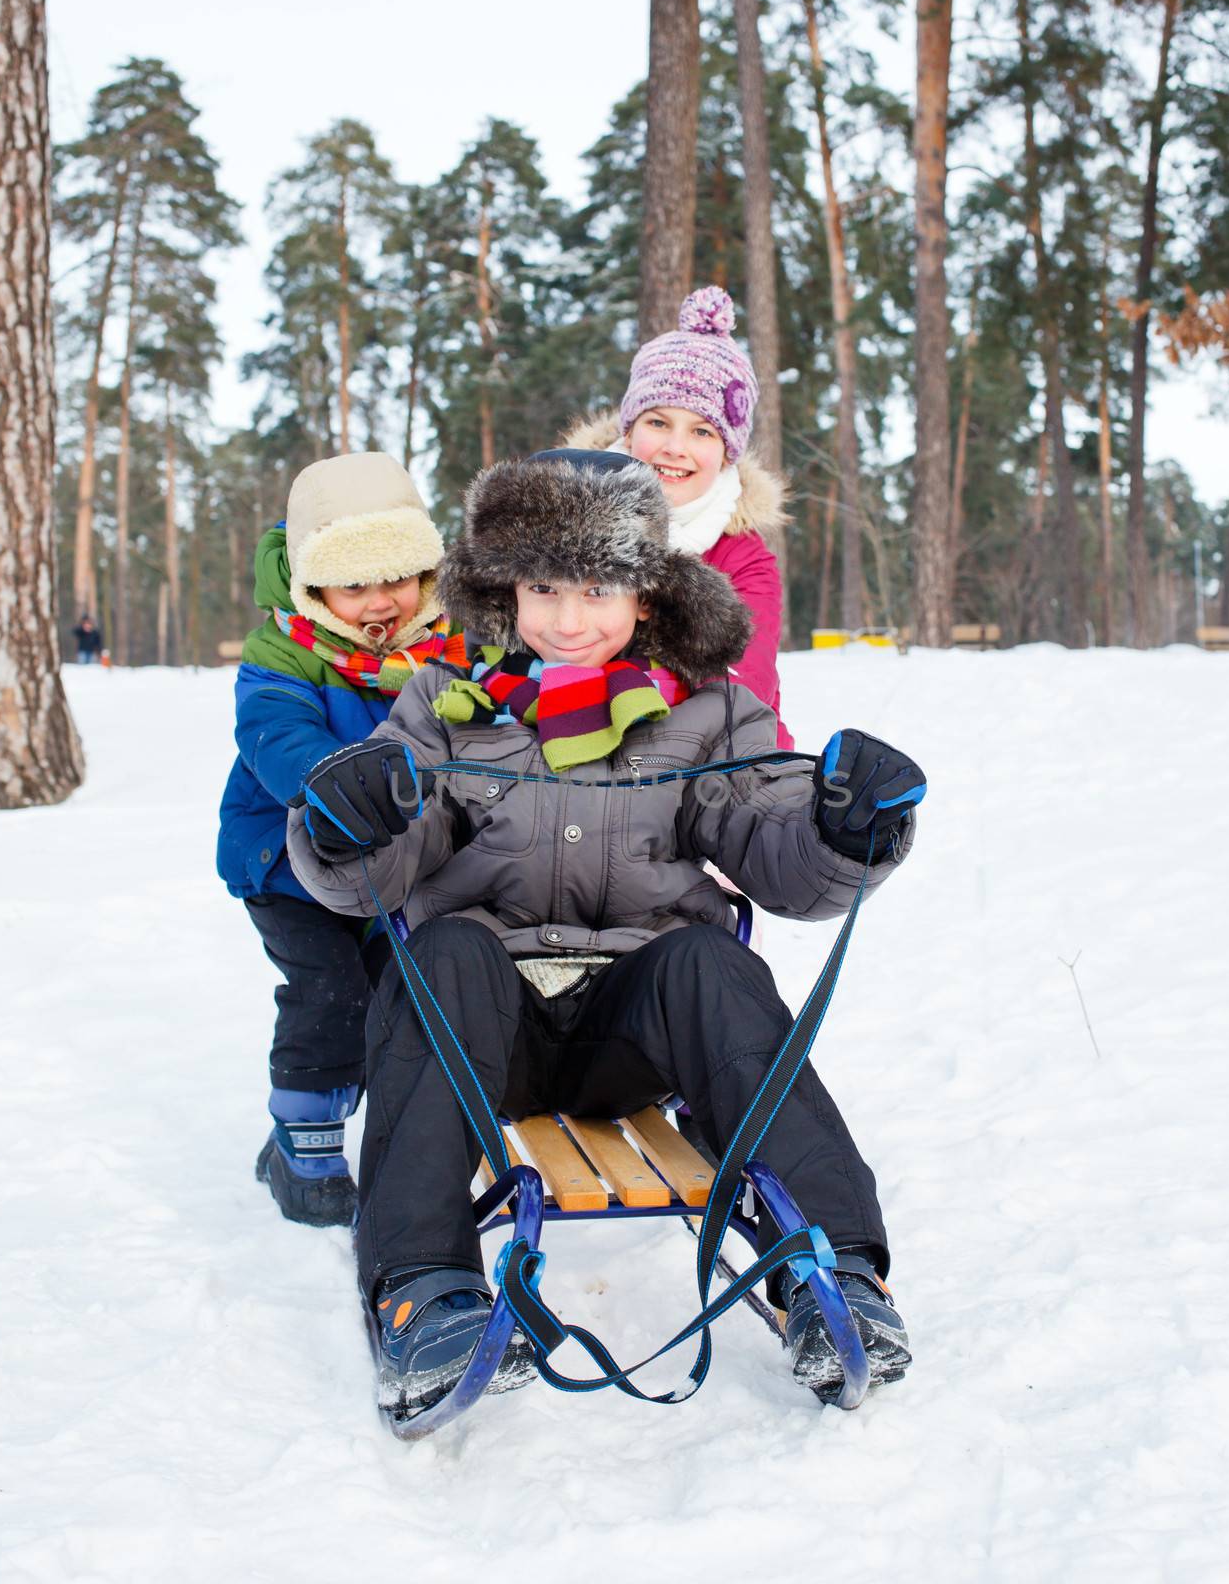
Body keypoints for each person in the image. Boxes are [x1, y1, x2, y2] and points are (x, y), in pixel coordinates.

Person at [286, 449, 925, 1420]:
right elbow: (379, 867)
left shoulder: (706, 710)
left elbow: (772, 841)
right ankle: (425, 1292)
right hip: (483, 1030)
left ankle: (834, 1268)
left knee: (713, 961)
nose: (568, 618)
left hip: (635, 1027)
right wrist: (347, 825)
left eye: (597, 586)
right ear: (506, 589)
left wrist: (846, 828)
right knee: (440, 951)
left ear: (646, 590)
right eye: (543, 586)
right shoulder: (450, 707)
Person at [216, 451, 463, 1228]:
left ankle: (359, 1125)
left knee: (403, 996)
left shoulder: (452, 648)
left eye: (396, 578)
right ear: (313, 587)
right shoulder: (284, 652)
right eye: (354, 585)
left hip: (399, 864)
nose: (379, 602)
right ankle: (307, 1146)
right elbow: (274, 734)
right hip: (291, 862)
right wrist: (330, 775)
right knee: (331, 994)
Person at [563, 286, 794, 746]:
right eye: (658, 422)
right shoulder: (561, 517)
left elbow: (739, 686)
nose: (675, 448)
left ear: (727, 454)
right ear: (628, 431)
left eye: (702, 431)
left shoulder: (743, 559)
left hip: (711, 758)